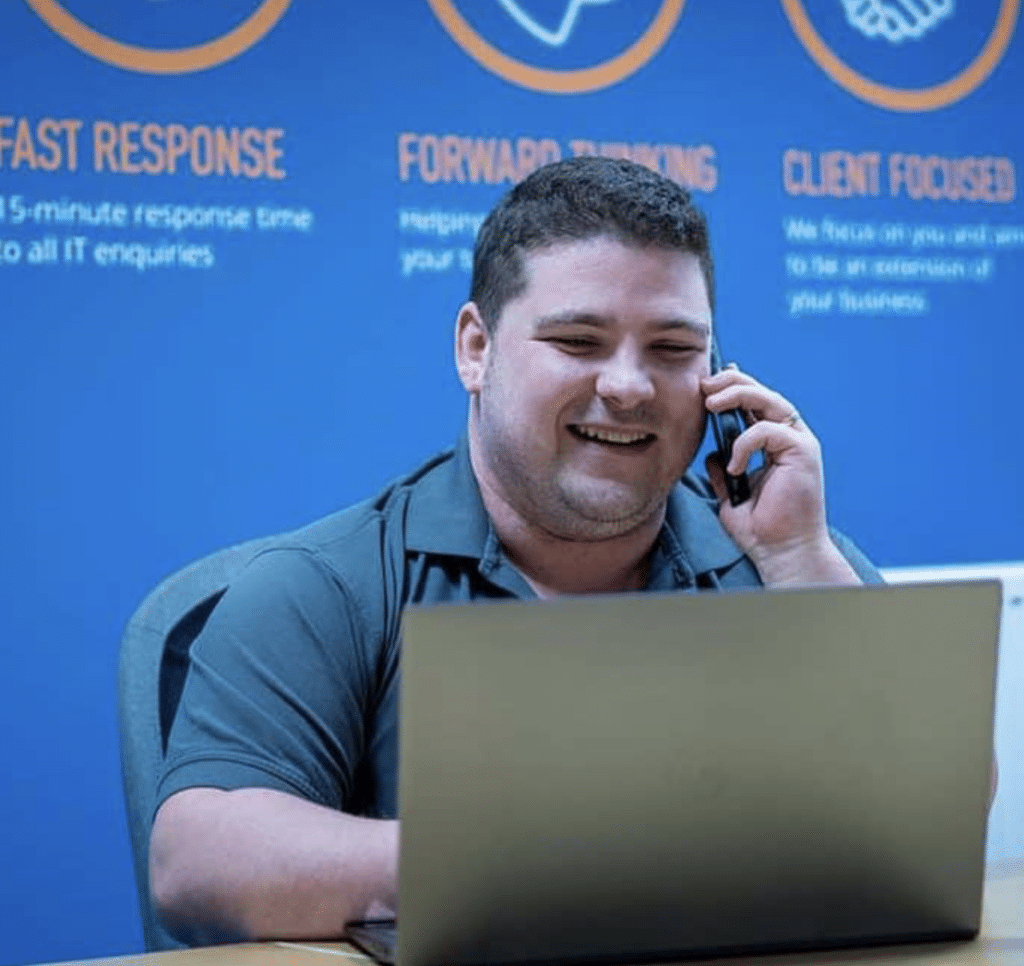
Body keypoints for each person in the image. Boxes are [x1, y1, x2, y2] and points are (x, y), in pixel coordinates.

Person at [150, 156, 881, 944]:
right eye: (578, 340)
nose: (630, 387)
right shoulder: (329, 584)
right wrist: (531, 864)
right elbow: (197, 860)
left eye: (673, 348)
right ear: (476, 348)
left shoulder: (790, 561)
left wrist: (797, 560)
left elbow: (933, 806)